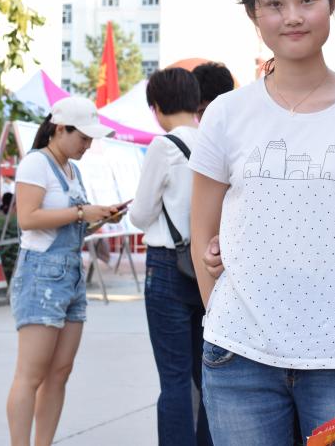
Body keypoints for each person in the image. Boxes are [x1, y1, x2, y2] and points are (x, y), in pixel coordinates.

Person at [188, 0, 335, 445]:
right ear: (253, 14)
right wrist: (222, 318)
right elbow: (202, 234)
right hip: (238, 359)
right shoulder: (226, 113)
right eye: (274, 4)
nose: (293, 17)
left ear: (332, 2)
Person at [6, 97, 122, 446]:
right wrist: (82, 212)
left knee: (59, 372)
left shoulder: (72, 169)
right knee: (30, 375)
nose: (87, 145)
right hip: (41, 274)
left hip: (70, 274)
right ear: (60, 129)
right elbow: (28, 218)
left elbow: (70, 226)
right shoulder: (35, 163)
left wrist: (99, 218)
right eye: (83, 137)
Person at [128, 67, 217, 445]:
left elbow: (140, 214)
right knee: (206, 375)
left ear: (157, 107)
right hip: (207, 266)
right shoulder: (212, 141)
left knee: (175, 379)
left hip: (167, 265)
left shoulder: (163, 146)